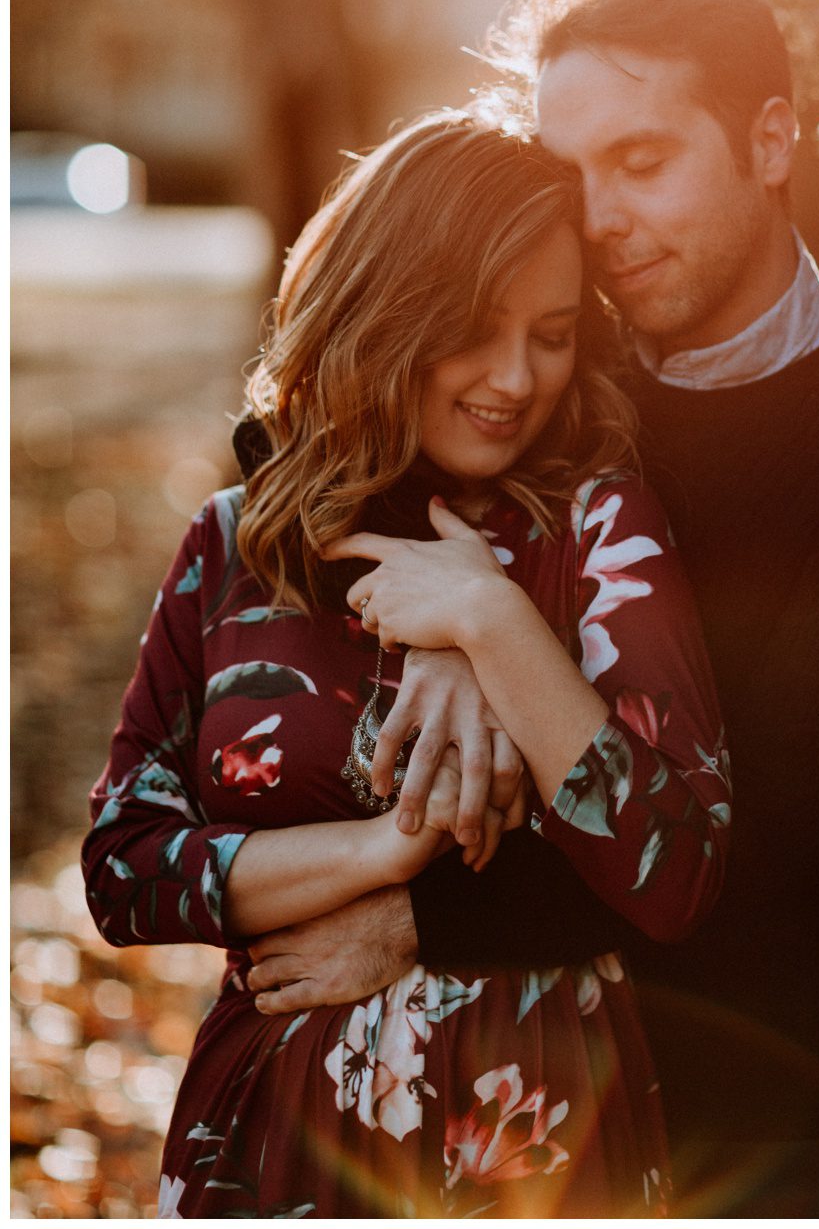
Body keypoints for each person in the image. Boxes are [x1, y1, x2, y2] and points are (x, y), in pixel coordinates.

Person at [234, 0, 819, 1217]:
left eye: (642, 162)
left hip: (780, 1104)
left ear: (770, 140)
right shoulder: (550, 361)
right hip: (516, 1098)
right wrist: (432, 612)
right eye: (569, 171)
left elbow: (776, 848)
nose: (594, 219)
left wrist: (426, 917)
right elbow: (292, 425)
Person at [82, 109, 731, 1219]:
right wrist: (391, 845)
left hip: (529, 1133)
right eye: (476, 325)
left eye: (555, 331)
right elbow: (126, 868)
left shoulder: (596, 530)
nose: (517, 377)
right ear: (388, 306)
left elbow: (678, 867)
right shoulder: (236, 544)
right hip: (271, 1135)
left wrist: (494, 620)